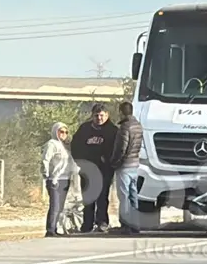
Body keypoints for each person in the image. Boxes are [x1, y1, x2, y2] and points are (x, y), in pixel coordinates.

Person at [70, 103, 118, 233]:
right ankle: (87, 224)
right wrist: (80, 162)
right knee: (88, 197)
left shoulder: (112, 131)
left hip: (104, 170)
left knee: (102, 197)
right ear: (92, 116)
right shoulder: (84, 129)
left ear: (107, 115)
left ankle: (102, 222)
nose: (99, 118)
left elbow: (117, 149)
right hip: (88, 170)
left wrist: (108, 161)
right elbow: (75, 146)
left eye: (102, 115)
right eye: (96, 115)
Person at [110, 101, 144, 234]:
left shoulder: (125, 127)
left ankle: (125, 224)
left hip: (124, 166)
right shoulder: (138, 125)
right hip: (135, 165)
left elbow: (121, 148)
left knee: (123, 196)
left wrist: (114, 162)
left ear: (121, 112)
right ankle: (135, 224)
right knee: (133, 195)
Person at [41, 122, 76, 237]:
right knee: (54, 205)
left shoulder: (66, 146)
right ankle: (50, 230)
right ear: (56, 131)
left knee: (60, 207)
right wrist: (46, 174)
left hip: (65, 179)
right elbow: (45, 159)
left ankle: (55, 228)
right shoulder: (52, 144)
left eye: (66, 132)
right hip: (54, 179)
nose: (64, 134)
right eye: (61, 131)